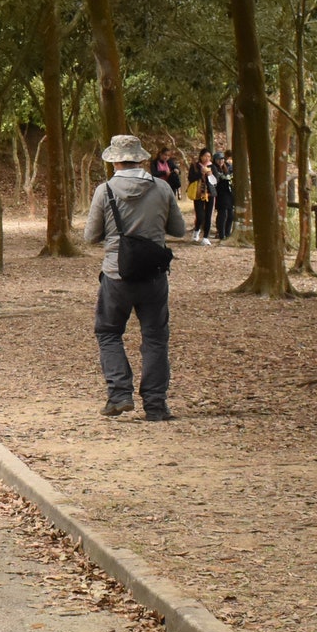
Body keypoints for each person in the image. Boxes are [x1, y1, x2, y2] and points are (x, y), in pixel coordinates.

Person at [84, 134, 189, 422]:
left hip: (116, 274)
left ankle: (119, 394)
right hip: (154, 276)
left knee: (108, 332)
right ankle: (156, 405)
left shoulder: (104, 191)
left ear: (115, 159)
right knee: (155, 337)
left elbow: (90, 236)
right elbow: (179, 230)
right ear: (141, 157)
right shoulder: (162, 188)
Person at [186, 149, 216, 246]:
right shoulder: (195, 166)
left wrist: (210, 175)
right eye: (205, 156)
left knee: (208, 215)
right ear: (201, 156)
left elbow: (215, 181)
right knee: (200, 215)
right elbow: (190, 178)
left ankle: (206, 237)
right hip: (198, 193)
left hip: (210, 193)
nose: (207, 158)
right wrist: (200, 173)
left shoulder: (212, 166)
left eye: (209, 156)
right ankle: (197, 230)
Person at [212, 150, 235, 240]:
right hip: (220, 194)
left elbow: (231, 174)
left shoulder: (228, 166)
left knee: (230, 214)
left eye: (222, 159)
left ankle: (227, 233)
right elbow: (215, 179)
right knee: (222, 214)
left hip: (229, 193)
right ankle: (221, 234)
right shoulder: (213, 168)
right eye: (218, 159)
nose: (220, 161)